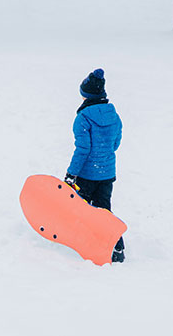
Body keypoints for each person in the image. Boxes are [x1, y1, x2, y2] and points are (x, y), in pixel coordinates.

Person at [64, 69, 125, 263]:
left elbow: (83, 149)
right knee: (104, 210)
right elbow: (115, 143)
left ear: (86, 95)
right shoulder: (114, 115)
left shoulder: (82, 118)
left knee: (81, 210)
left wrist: (71, 174)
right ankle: (116, 247)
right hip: (106, 173)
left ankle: (85, 246)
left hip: (87, 174)